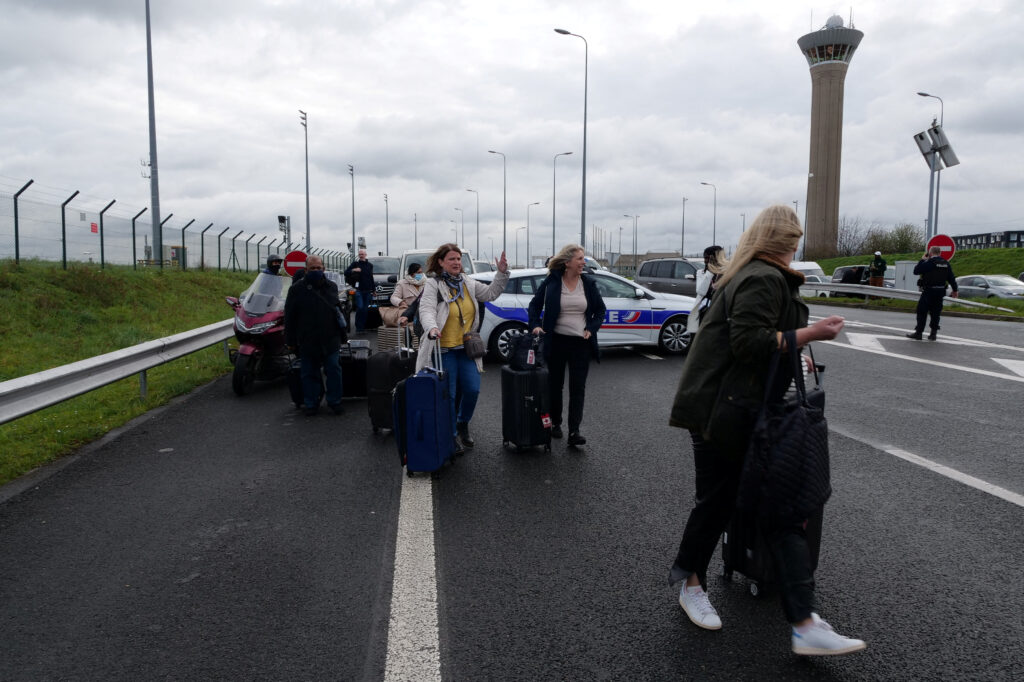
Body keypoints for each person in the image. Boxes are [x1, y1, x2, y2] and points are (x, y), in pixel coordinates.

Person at [667, 205, 865, 656]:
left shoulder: (756, 273)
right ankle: (692, 584)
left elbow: (763, 339)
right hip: (723, 411)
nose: (797, 245)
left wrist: (798, 347)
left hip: (739, 406)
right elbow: (749, 343)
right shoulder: (760, 276)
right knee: (720, 504)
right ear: (781, 240)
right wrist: (810, 334)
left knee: (777, 509)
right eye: (793, 238)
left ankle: (805, 621)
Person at [417, 243, 509, 454]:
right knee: (448, 395)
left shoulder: (467, 282)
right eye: (452, 259)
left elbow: (491, 294)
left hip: (467, 348)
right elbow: (427, 309)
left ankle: (462, 423)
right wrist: (431, 327)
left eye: (459, 259)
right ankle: (451, 436)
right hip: (443, 349)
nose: (457, 263)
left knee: (472, 390)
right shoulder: (433, 284)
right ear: (441, 262)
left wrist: (501, 274)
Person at [527, 244, 606, 446]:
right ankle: (555, 423)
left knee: (577, 387)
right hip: (557, 341)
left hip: (581, 343)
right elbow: (534, 306)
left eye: (584, 259)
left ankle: (574, 431)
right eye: (580, 259)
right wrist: (535, 326)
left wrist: (592, 327)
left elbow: (600, 310)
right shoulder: (552, 282)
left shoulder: (587, 283)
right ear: (567, 262)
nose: (583, 262)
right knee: (555, 386)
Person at [285, 255, 346, 416]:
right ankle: (311, 403)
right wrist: (290, 341)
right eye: (312, 268)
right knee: (309, 373)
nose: (316, 271)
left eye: (319, 268)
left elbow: (338, 312)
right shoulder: (296, 289)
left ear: (324, 268)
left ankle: (335, 401)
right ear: (306, 270)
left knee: (334, 370)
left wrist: (343, 336)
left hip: (330, 338)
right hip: (307, 339)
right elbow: (289, 317)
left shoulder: (331, 287)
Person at [907, 245, 958, 341]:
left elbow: (916, 271)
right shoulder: (946, 263)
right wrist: (955, 290)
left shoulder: (930, 262)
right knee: (936, 313)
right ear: (940, 253)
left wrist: (922, 260)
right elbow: (951, 278)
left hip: (929, 291)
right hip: (940, 292)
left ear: (930, 253)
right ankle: (933, 334)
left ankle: (919, 333)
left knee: (922, 312)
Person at [686, 245, 724, 334]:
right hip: (703, 312)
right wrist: (710, 272)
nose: (705, 261)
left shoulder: (725, 273)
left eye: (708, 258)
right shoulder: (701, 273)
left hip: (717, 312)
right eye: (705, 258)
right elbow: (701, 291)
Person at [382, 262, 425, 327]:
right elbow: (393, 297)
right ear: (412, 273)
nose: (421, 275)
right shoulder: (402, 283)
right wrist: (400, 302)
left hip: (423, 312)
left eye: (421, 272)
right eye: (418, 273)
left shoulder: (427, 283)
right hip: (408, 312)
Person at [344, 249, 375, 334]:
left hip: (368, 290)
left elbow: (371, 278)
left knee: (365, 310)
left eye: (362, 254)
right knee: (360, 308)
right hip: (359, 290)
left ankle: (362, 328)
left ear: (366, 255)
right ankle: (358, 327)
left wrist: (374, 290)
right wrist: (354, 270)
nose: (361, 255)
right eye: (360, 254)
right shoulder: (355, 264)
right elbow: (346, 272)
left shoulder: (370, 265)